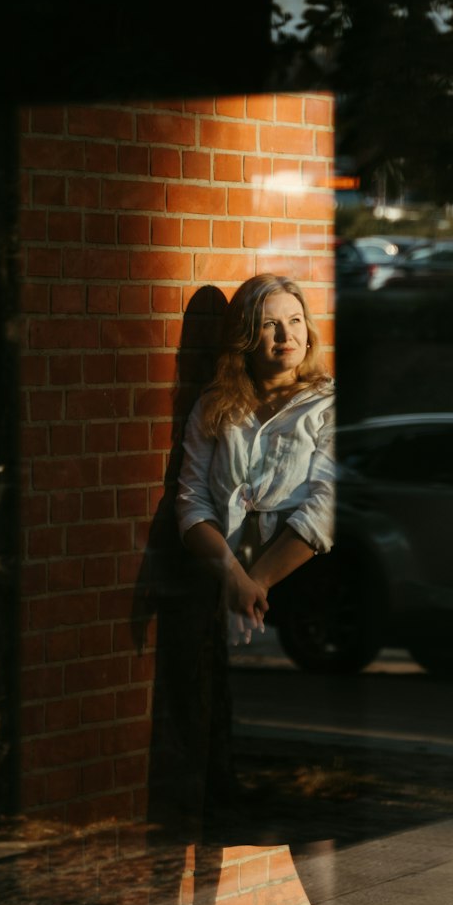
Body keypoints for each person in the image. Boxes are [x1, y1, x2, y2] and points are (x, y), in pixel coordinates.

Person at [169, 272, 335, 817]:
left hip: (297, 587)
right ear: (245, 337)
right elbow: (192, 504)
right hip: (222, 586)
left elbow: (322, 510)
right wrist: (232, 579)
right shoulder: (215, 408)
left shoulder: (327, 408)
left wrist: (255, 583)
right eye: (269, 325)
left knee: (300, 748)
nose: (286, 336)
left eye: (294, 323)